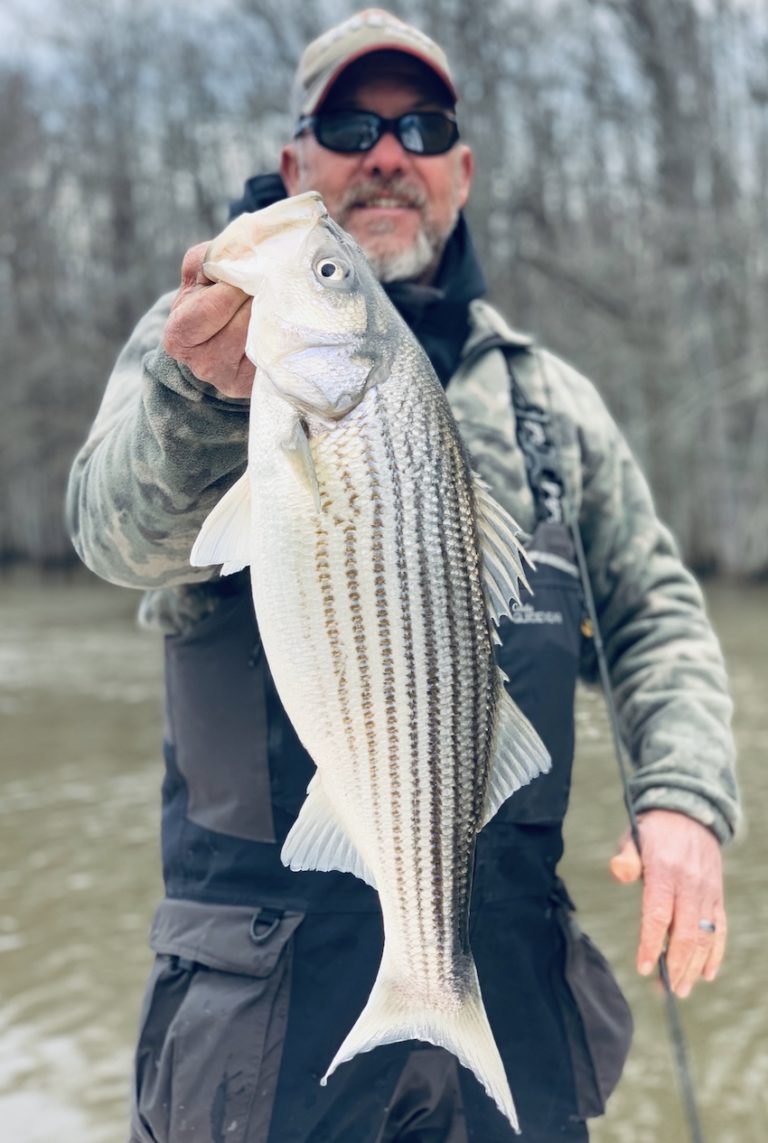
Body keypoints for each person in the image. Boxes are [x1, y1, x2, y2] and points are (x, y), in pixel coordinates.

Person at [66, 9, 739, 1142]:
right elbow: (110, 535)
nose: (387, 153)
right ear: (296, 166)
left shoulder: (548, 403)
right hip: (262, 1008)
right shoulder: (200, 342)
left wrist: (681, 798)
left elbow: (658, 615)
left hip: (510, 978)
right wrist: (204, 404)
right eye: (350, 125)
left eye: (422, 128)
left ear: (462, 172)